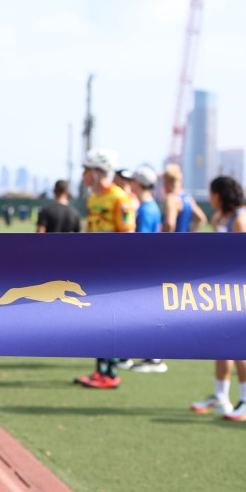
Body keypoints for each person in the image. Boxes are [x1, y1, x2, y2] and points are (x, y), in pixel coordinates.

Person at [190, 176, 246, 421]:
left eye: (211, 193)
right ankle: (221, 397)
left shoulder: (241, 220)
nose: (209, 198)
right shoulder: (220, 217)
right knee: (222, 344)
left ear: (218, 194)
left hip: (240, 292)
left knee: (241, 346)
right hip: (221, 291)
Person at [74, 148, 134, 390]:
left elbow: (128, 234)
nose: (83, 175)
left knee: (110, 321)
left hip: (113, 269)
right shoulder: (93, 198)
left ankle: (110, 373)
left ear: (98, 172)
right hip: (95, 268)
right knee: (97, 320)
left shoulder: (119, 198)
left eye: (86, 170)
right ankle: (100, 371)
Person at [122, 165, 168, 373]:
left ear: (138, 183)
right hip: (150, 267)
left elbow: (138, 244)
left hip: (144, 269)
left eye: (132, 181)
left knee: (144, 314)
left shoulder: (145, 210)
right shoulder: (150, 207)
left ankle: (153, 358)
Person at [162, 163, 206, 233]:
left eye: (164, 181)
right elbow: (201, 219)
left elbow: (170, 224)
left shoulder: (172, 198)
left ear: (167, 180)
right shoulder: (188, 198)